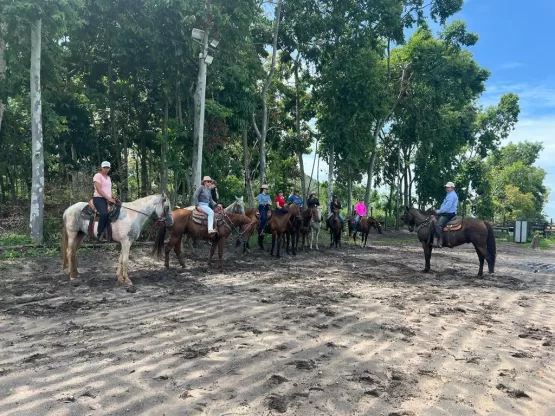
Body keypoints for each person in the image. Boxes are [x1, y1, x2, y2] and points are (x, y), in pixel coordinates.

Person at [93, 161, 116, 243]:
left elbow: (109, 189)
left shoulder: (108, 178)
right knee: (104, 213)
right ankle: (100, 234)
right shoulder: (97, 176)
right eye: (104, 168)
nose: (106, 169)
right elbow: (99, 190)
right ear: (101, 168)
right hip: (99, 198)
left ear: (109, 168)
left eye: (107, 168)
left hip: (107, 198)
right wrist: (108, 198)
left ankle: (112, 233)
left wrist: (113, 197)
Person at [434, 181, 459, 248]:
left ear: (452, 188)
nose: (446, 188)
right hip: (447, 213)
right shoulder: (449, 194)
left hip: (449, 214)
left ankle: (440, 241)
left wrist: (438, 211)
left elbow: (447, 207)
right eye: (446, 187)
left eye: (448, 187)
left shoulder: (451, 195)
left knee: (438, 225)